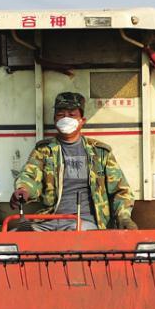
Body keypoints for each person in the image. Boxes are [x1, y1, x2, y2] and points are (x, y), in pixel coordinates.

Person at [9, 92, 138, 230]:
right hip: (49, 221)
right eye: (61, 114)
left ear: (82, 120)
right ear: (54, 119)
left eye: (71, 115)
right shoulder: (44, 150)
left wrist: (124, 216)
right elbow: (30, 175)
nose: (66, 119)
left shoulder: (100, 152)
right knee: (12, 238)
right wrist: (24, 190)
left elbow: (121, 190)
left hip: (84, 224)